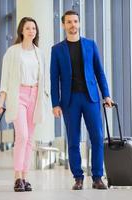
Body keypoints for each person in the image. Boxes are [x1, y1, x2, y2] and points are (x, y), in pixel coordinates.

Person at [50, 10, 113, 190]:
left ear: (79, 23)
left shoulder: (90, 45)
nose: (73, 25)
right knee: (73, 140)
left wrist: (106, 94)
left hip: (90, 97)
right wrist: (55, 103)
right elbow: (54, 78)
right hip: (70, 101)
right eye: (69, 22)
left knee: (97, 138)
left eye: (75, 21)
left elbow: (99, 72)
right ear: (63, 25)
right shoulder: (57, 50)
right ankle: (78, 177)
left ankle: (97, 177)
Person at [0, 17, 49, 192]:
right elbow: (5, 79)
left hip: (34, 96)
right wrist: (1, 102)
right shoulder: (12, 52)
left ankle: (25, 177)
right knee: (23, 136)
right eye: (28, 28)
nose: (31, 31)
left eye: (34, 28)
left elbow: (44, 79)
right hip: (18, 95)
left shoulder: (39, 53)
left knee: (29, 140)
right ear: (21, 31)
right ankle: (17, 177)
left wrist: (45, 97)